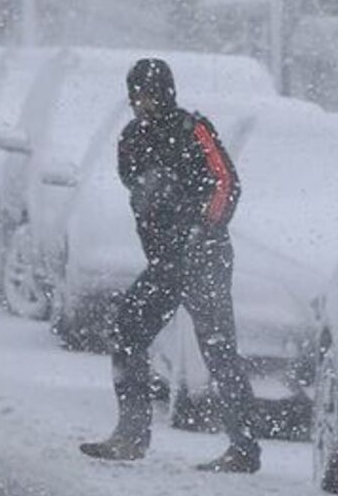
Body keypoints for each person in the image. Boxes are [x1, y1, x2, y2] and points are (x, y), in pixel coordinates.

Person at [79, 58, 261, 473]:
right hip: (165, 262)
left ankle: (244, 447)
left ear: (167, 92)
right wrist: (157, 205)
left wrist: (202, 228)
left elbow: (226, 183)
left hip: (203, 257)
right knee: (128, 330)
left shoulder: (194, 130)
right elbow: (134, 185)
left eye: (150, 94)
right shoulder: (132, 138)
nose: (143, 103)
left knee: (217, 347)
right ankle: (131, 433)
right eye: (137, 95)